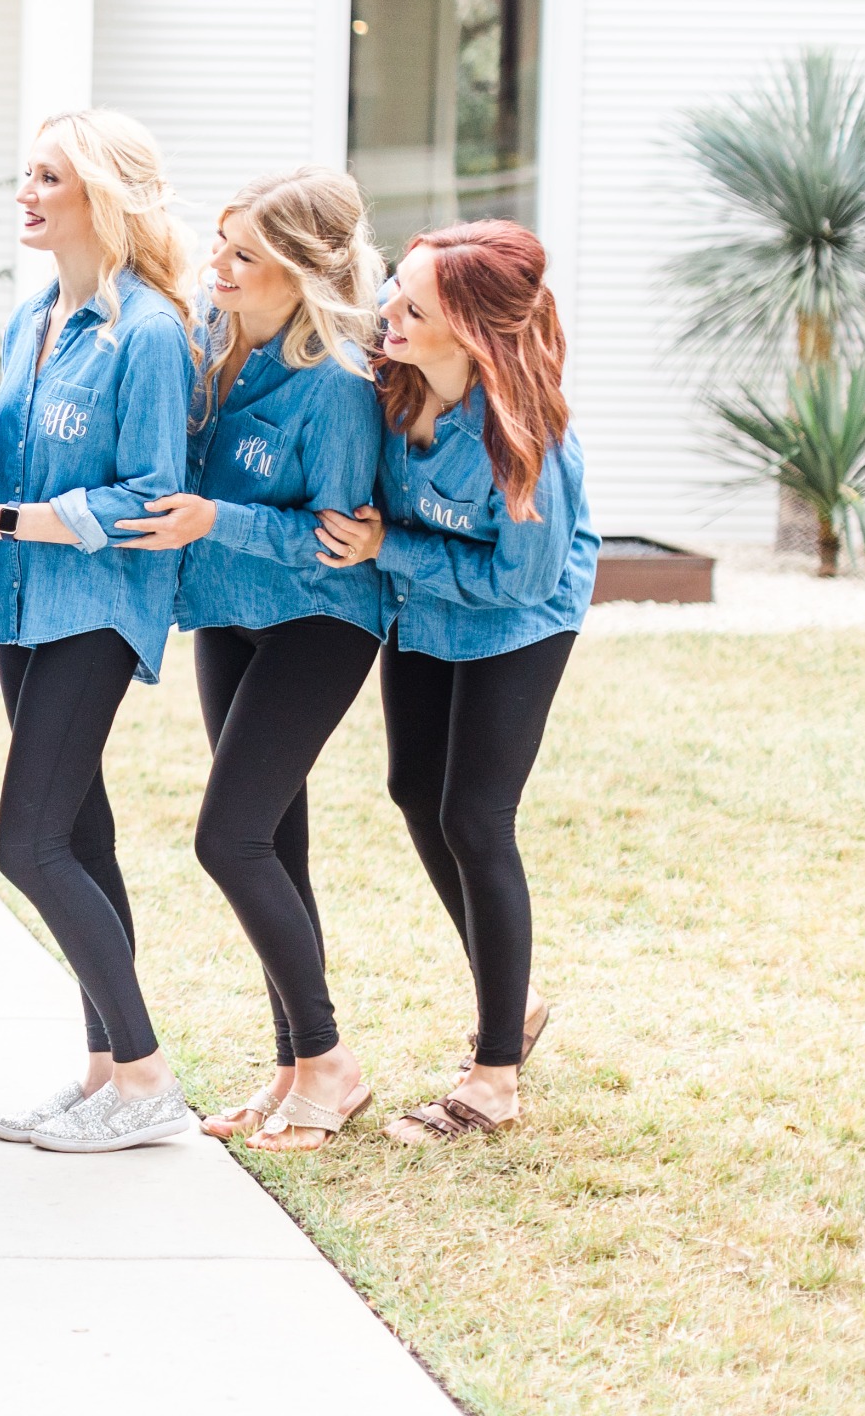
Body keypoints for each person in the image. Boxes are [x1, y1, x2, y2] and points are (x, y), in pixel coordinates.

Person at [0, 109, 195, 1155]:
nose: (27, 190)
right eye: (25, 170)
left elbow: (152, 495)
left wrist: (3, 521)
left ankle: (151, 1074)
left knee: (25, 840)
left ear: (106, 197)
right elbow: (4, 463)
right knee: (81, 837)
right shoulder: (36, 316)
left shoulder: (153, 331)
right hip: (24, 607)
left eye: (52, 176)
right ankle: (106, 1073)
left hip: (96, 609)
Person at [110, 169, 388, 1153]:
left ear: (304, 271)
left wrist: (213, 517)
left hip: (320, 617)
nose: (214, 264)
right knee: (278, 843)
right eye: (218, 243)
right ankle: (292, 1067)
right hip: (227, 612)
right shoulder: (205, 339)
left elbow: (334, 530)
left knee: (228, 838)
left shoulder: (339, 385)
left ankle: (331, 1057)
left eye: (242, 254)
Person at [316, 219, 596, 1144]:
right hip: (428, 604)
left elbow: (520, 578)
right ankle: (513, 998)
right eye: (396, 289)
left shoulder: (526, 436)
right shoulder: (393, 380)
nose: (388, 311)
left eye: (413, 306)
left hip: (520, 614)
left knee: (476, 816)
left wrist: (393, 544)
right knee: (411, 789)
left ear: (469, 330)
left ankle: (493, 1080)